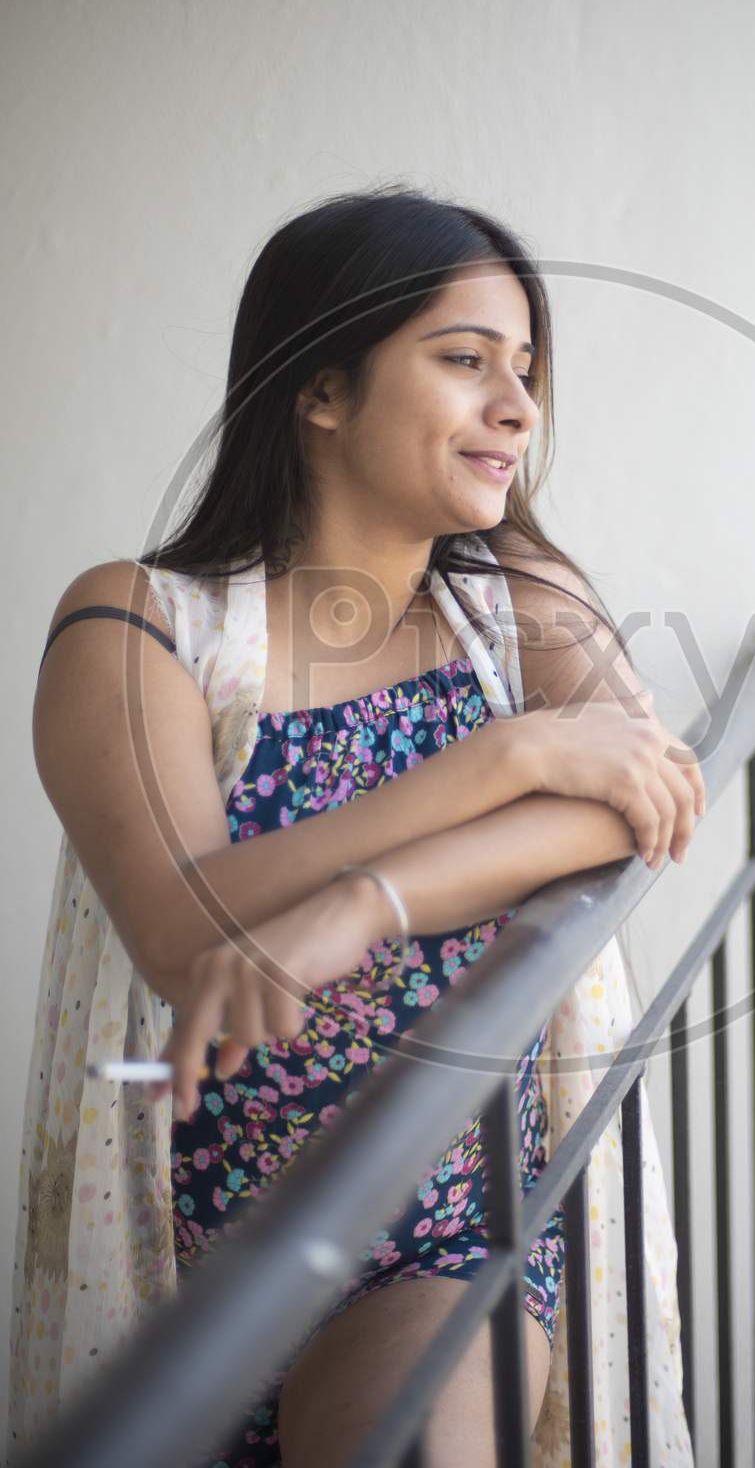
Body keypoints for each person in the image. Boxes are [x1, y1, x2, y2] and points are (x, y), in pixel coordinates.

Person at [15, 183, 704, 1468]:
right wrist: (501, 759)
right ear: (320, 390)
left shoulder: (519, 602)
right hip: (198, 1238)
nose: (518, 408)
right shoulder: (137, 623)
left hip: (455, 1207)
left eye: (527, 370)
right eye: (463, 361)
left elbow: (638, 801)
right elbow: (184, 929)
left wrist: (360, 906)